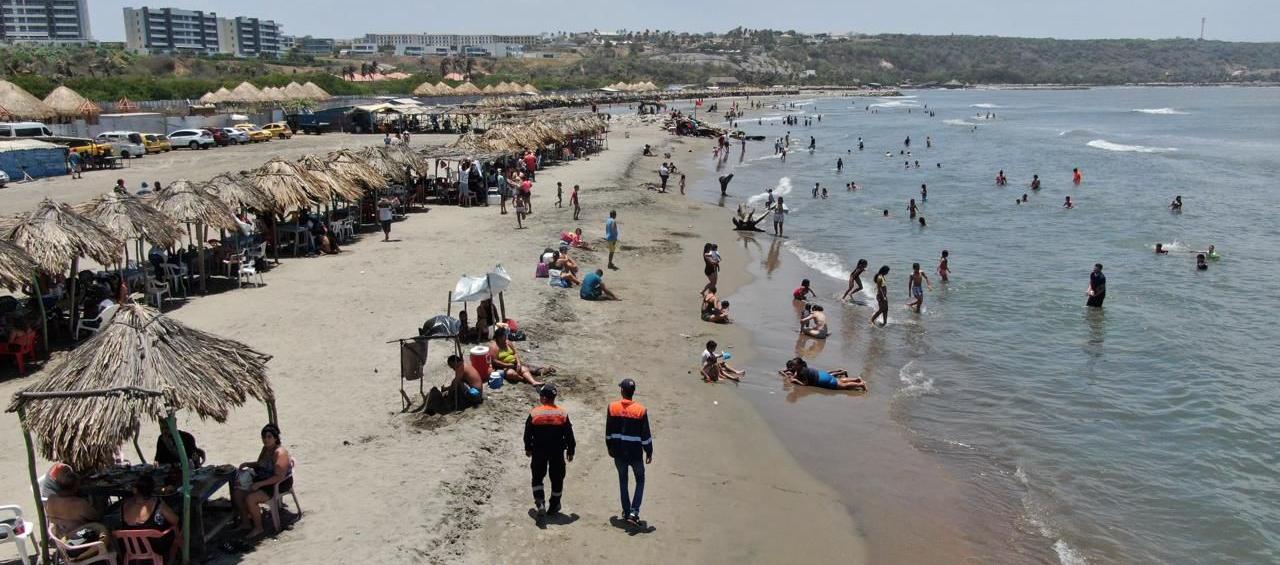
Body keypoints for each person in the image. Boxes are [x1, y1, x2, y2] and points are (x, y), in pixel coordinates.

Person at [606, 379, 653, 526]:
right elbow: (645, 435)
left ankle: (626, 512)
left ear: (622, 391)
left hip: (619, 452)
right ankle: (634, 512)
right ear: (633, 392)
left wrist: (609, 447)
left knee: (623, 481)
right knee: (640, 480)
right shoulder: (640, 410)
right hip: (635, 453)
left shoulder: (612, 407)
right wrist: (649, 452)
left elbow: (608, 432)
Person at [232, 424, 291, 539]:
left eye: (269, 437)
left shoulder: (280, 453)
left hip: (277, 484)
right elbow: (260, 464)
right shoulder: (266, 449)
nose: (266, 440)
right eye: (264, 437)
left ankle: (258, 528)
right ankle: (246, 523)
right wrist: (248, 464)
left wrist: (259, 484)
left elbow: (279, 476)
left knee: (251, 499)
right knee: (237, 494)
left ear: (275, 438)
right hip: (263, 479)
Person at [525, 384, 575, 519]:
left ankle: (540, 502)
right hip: (557, 451)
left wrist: (528, 448)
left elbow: (527, 432)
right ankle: (554, 506)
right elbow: (569, 434)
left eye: (541, 395)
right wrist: (571, 450)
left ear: (544, 398)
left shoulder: (535, 413)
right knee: (557, 478)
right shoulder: (562, 413)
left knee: (537, 477)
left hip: (539, 451)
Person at [120, 474, 183, 561]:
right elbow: (175, 520)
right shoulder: (157, 503)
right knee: (177, 527)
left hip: (130, 546)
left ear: (135, 490)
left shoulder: (125, 504)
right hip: (154, 547)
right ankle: (173, 560)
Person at [780, 357, 866, 391]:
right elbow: (795, 375)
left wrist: (795, 380)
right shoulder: (803, 368)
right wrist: (789, 375)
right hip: (823, 375)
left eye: (794, 366)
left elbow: (805, 384)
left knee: (844, 386)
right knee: (839, 380)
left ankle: (860, 384)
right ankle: (857, 379)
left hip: (822, 381)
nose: (793, 367)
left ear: (798, 366)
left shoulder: (801, 372)